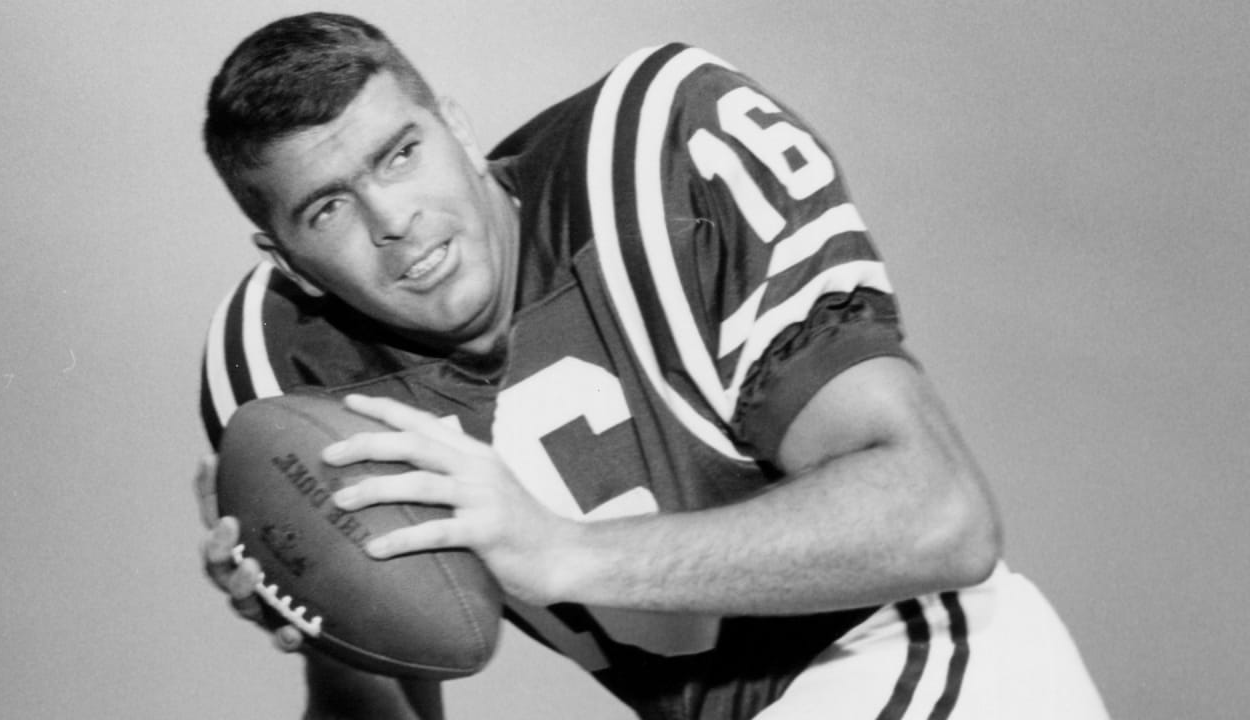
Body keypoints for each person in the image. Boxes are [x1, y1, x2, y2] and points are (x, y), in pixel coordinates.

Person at [196, 12, 1110, 720]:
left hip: (926, 662)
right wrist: (322, 616)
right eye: (328, 209)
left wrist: (562, 552)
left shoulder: (657, 158)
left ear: (459, 131)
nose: (393, 219)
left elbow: (938, 516)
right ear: (285, 260)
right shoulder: (284, 375)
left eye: (401, 155)